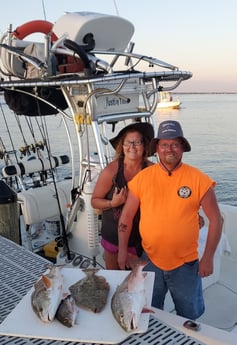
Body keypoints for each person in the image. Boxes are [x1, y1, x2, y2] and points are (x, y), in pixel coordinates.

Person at [117, 120, 223, 319]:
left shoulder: (199, 179)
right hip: (150, 260)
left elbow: (216, 219)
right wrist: (122, 251)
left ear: (182, 147)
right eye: (164, 144)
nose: (169, 149)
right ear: (157, 147)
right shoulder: (142, 178)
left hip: (186, 264)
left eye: (175, 144)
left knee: (190, 315)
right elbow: (127, 216)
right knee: (149, 311)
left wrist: (207, 258)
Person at [91, 122, 154, 269]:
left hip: (142, 239)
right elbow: (94, 201)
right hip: (113, 237)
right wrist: (112, 203)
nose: (132, 146)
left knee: (138, 282)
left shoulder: (152, 170)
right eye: (128, 142)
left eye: (137, 142)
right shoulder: (110, 171)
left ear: (144, 146)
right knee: (115, 279)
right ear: (122, 146)